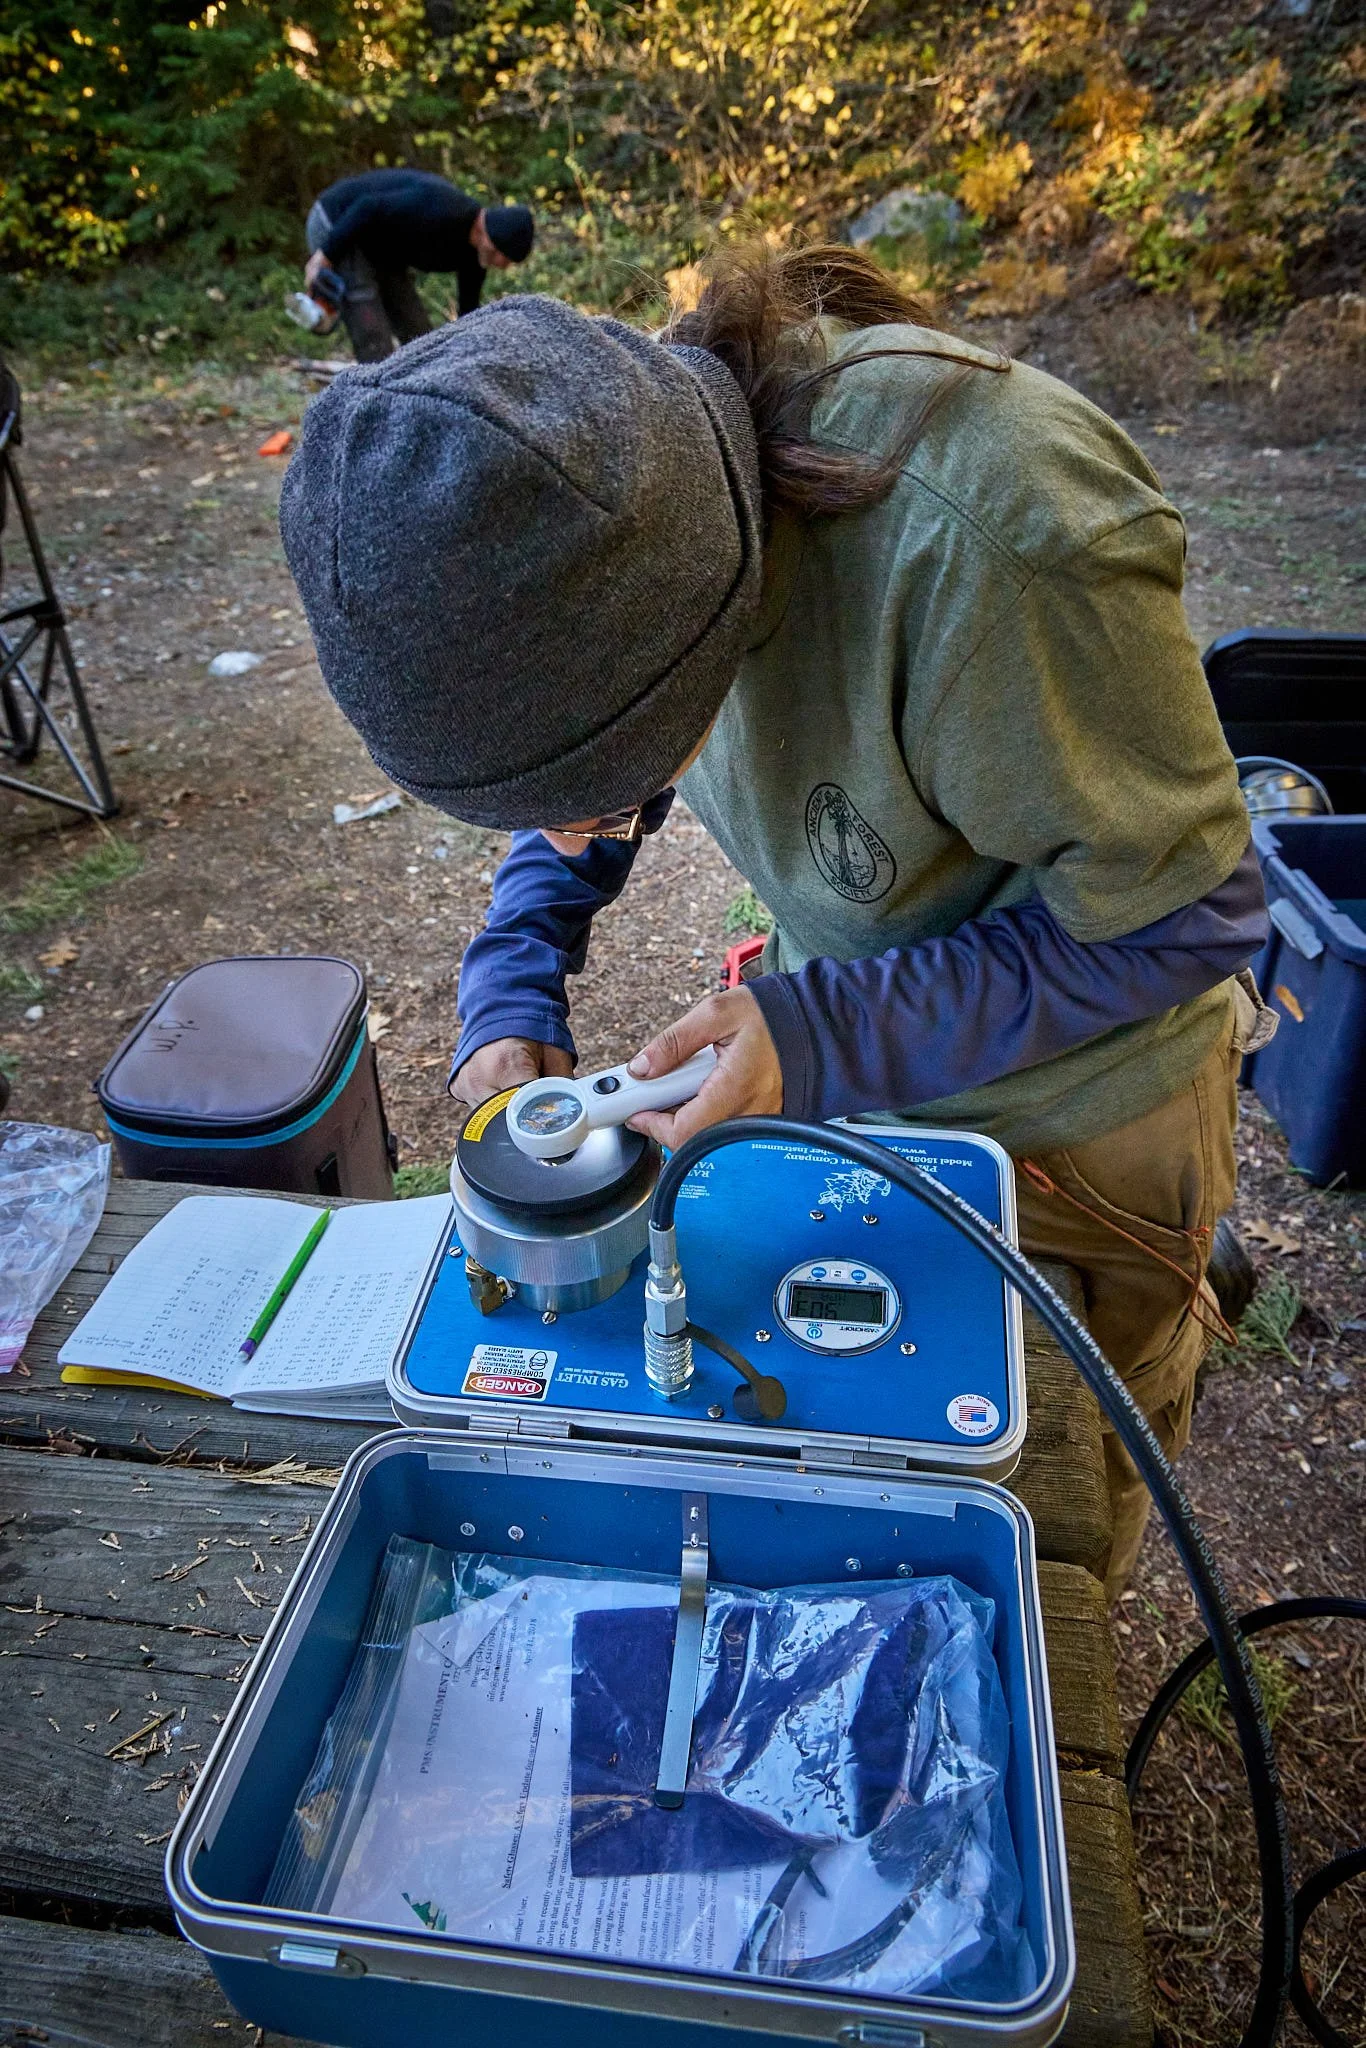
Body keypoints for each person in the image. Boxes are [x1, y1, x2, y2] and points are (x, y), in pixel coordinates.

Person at [279, 244, 1274, 1598]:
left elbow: (1188, 920)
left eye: (591, 782)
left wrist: (816, 1031)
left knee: (1050, 1508)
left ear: (693, 613)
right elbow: (577, 766)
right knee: (860, 1449)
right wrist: (516, 979)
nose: (574, 831)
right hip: (857, 1052)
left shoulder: (998, 538)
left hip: (1083, 1121)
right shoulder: (614, 514)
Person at [302, 169, 534, 361]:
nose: (501, 266)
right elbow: (367, 208)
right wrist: (324, 257)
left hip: (380, 247)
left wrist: (475, 353)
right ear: (490, 237)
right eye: (503, 257)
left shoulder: (474, 257)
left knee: (421, 338)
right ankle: (378, 407)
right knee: (373, 334)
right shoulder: (442, 208)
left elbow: (468, 314)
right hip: (338, 222)